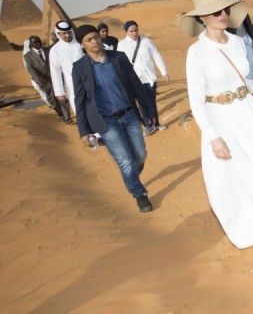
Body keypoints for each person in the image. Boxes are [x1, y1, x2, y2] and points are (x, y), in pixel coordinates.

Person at [182, 0, 253, 249]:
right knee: (234, 177)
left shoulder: (239, 42)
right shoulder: (196, 53)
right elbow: (196, 101)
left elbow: (244, 79)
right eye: (214, 12)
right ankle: (246, 230)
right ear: (201, 19)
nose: (222, 14)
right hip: (220, 119)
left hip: (249, 112)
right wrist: (214, 138)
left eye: (223, 9)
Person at [72, 25, 156, 212]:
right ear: (82, 45)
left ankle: (132, 175)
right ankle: (139, 194)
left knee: (140, 154)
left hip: (129, 115)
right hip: (106, 122)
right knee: (125, 161)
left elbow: (136, 85)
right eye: (89, 40)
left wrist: (149, 111)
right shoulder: (79, 68)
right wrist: (84, 130)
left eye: (95, 37)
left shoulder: (119, 58)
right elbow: (80, 99)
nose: (95, 42)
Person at [117, 20, 169, 135]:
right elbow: (119, 63)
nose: (134, 33)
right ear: (126, 32)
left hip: (149, 77)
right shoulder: (121, 45)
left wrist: (164, 71)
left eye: (136, 30)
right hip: (135, 79)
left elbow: (156, 54)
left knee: (151, 101)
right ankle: (148, 125)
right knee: (141, 103)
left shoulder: (146, 41)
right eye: (131, 31)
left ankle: (156, 123)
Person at [24, 36, 71, 121]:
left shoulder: (48, 50)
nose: (38, 43)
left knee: (62, 97)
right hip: (44, 81)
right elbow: (32, 70)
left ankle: (67, 118)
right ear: (31, 44)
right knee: (52, 101)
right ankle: (60, 114)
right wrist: (39, 82)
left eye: (39, 41)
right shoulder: (28, 56)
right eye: (35, 42)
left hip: (56, 78)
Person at [222, 0, 253, 79]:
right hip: (233, 42)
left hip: (246, 39)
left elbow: (247, 19)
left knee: (252, 67)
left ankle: (252, 93)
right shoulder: (219, 3)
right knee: (238, 70)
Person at [48, 21, 84, 120]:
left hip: (90, 81)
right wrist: (59, 92)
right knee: (80, 110)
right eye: (64, 33)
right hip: (72, 84)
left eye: (69, 32)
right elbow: (55, 72)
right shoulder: (55, 50)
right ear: (58, 34)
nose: (67, 35)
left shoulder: (81, 44)